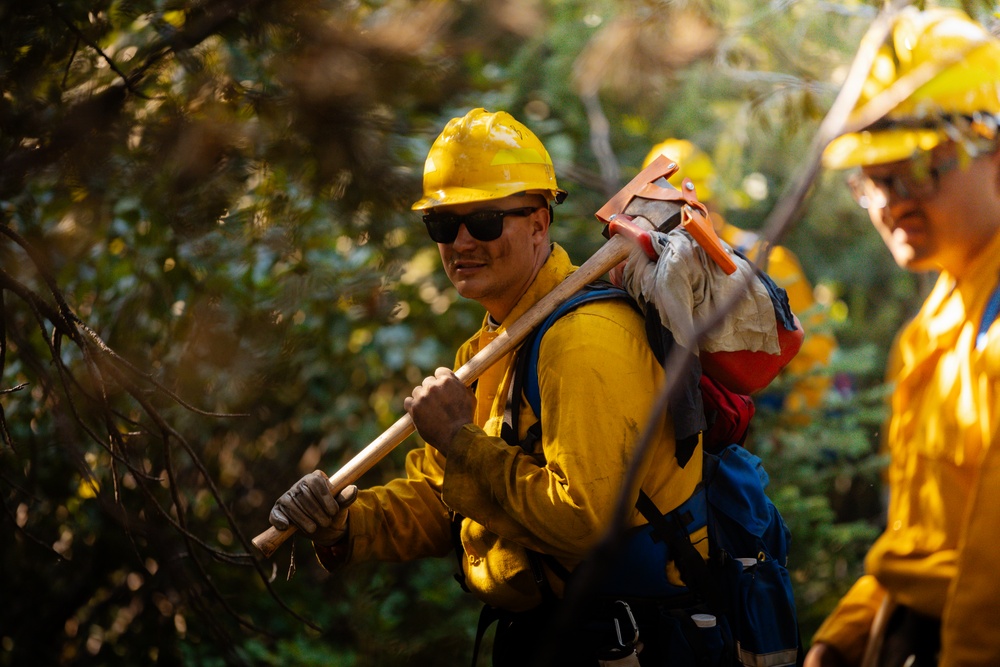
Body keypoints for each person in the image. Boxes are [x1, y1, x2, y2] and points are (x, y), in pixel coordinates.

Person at [267, 108, 709, 665]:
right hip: (549, 633)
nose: (461, 243)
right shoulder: (486, 349)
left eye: (484, 222)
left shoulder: (584, 341)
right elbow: (442, 496)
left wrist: (460, 438)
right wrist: (344, 524)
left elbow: (581, 523)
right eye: (444, 225)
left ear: (539, 224)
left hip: (626, 642)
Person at [803, 7, 1000, 667]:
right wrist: (845, 632)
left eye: (917, 172)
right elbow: (917, 536)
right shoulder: (929, 329)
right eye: (874, 180)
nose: (890, 203)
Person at [641, 138, 840, 418]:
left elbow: (815, 355)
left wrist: (791, 425)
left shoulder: (768, 261)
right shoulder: (648, 272)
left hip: (769, 421)